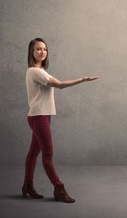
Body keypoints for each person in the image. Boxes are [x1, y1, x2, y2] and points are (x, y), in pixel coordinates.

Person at [22, 38, 99, 203]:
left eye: (44, 49)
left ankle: (27, 185)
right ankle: (59, 189)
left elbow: (58, 83)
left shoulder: (41, 71)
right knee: (47, 155)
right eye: (38, 49)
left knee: (34, 152)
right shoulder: (34, 71)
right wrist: (83, 79)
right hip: (39, 117)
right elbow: (61, 85)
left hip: (41, 116)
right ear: (31, 52)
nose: (42, 52)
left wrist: (82, 79)